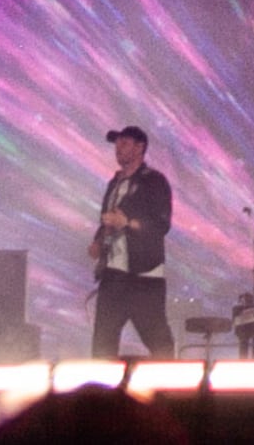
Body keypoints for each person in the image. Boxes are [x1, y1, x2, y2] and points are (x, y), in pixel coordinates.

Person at [90, 125, 176, 358]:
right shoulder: (114, 183)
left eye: (124, 144)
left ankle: (171, 389)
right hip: (113, 275)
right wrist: (99, 241)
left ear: (140, 148)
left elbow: (161, 225)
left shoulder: (154, 181)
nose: (118, 149)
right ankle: (100, 392)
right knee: (102, 344)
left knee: (158, 341)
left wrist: (127, 223)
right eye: (117, 145)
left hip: (143, 276)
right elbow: (106, 220)